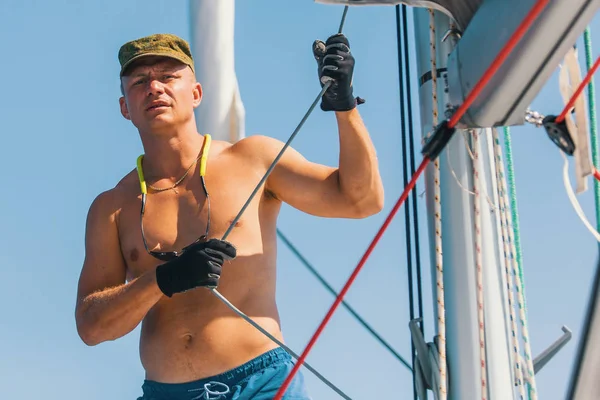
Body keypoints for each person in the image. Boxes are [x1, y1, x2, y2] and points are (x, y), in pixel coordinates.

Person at [74, 32, 384, 399]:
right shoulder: (112, 207)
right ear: (125, 106)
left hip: (262, 384)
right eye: (140, 82)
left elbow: (361, 200)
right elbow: (92, 327)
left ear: (196, 93)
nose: (154, 87)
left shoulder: (252, 159)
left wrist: (345, 106)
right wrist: (163, 279)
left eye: (169, 76)